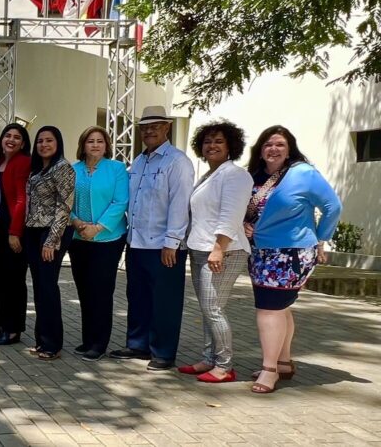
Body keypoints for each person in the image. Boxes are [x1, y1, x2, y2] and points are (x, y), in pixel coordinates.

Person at [244, 126, 341, 394]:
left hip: (291, 253)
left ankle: (269, 370)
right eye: (267, 144)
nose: (272, 149)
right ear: (260, 149)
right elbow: (246, 209)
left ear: (289, 149)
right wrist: (244, 224)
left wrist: (321, 238)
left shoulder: (304, 173)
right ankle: (283, 362)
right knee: (280, 308)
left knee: (268, 309)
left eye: (279, 144)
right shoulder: (254, 176)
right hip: (260, 251)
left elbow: (333, 206)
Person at [110, 106, 195, 371]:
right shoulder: (139, 161)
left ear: (166, 128)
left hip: (163, 245)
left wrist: (172, 241)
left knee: (165, 301)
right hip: (136, 243)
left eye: (155, 126)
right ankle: (138, 344)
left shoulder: (177, 161)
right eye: (145, 127)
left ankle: (163, 352)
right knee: (138, 296)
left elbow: (180, 204)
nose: (149, 131)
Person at [178, 120, 254, 382]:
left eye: (219, 141)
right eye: (208, 141)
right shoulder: (210, 174)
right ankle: (209, 359)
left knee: (214, 309)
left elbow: (230, 216)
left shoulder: (235, 175)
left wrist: (218, 249)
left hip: (224, 251)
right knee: (207, 308)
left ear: (231, 146)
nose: (212, 145)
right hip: (199, 249)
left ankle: (224, 366)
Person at [68, 126, 129, 362]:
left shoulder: (117, 169)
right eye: (90, 141)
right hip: (78, 237)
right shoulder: (73, 170)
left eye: (100, 141)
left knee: (101, 291)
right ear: (83, 145)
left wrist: (98, 227)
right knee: (84, 290)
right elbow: (66, 201)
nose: (95, 145)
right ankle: (88, 339)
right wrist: (77, 222)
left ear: (107, 145)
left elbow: (120, 201)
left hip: (108, 238)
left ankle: (99, 343)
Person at [22, 126, 75, 360]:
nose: (44, 144)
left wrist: (52, 241)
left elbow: (64, 207)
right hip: (33, 232)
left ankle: (53, 344)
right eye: (40, 141)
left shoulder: (63, 168)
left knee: (48, 287)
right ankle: (41, 340)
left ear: (58, 143)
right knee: (40, 287)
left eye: (49, 140)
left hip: (52, 233)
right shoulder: (37, 170)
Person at [0, 124, 31, 346]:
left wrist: (15, 232)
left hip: (14, 229)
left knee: (14, 281)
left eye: (17, 137)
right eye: (8, 135)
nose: (11, 140)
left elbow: (22, 200)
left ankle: (14, 330)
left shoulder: (22, 162)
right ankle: (2, 324)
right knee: (0, 279)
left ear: (23, 143)